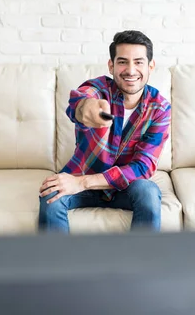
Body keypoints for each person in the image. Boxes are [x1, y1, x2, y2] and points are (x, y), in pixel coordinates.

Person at [38, 30, 172, 233]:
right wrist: (86, 109)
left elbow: (143, 167)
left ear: (150, 66)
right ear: (111, 65)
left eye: (138, 62)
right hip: (82, 174)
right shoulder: (98, 89)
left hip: (124, 186)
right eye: (122, 62)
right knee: (51, 194)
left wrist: (83, 182)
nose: (131, 70)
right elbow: (79, 102)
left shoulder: (160, 109)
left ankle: (142, 263)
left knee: (148, 191)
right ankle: (59, 264)